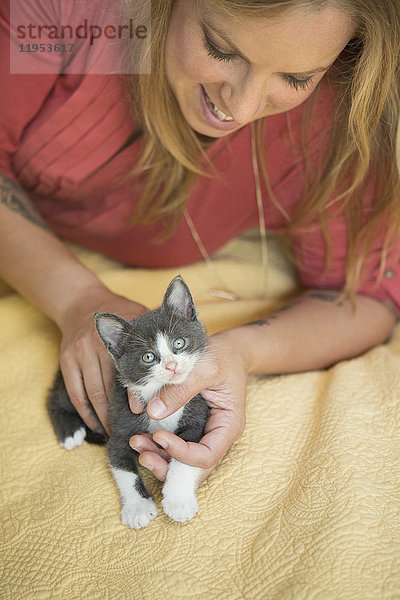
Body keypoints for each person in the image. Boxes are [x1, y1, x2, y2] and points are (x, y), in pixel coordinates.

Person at [1, 0, 399, 484]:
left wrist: (241, 351)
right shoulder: (59, 12)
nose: (243, 106)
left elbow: (370, 295)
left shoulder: (337, 118)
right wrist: (75, 297)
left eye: (296, 79)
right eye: (219, 48)